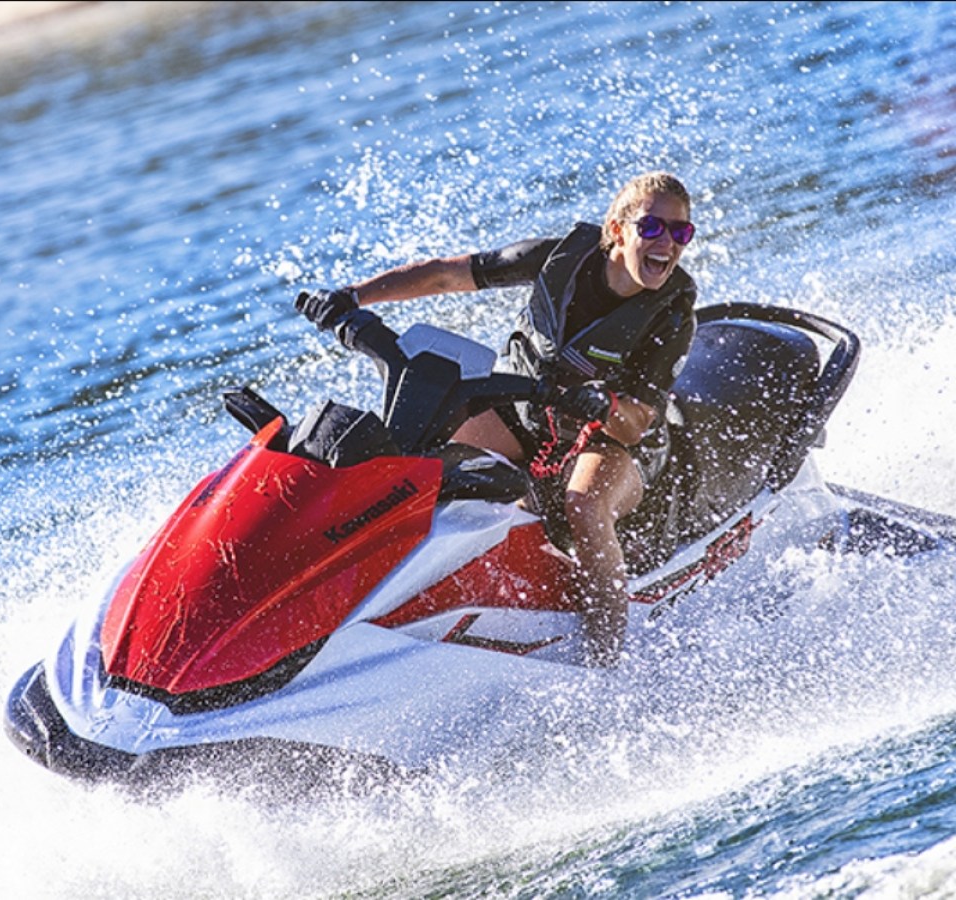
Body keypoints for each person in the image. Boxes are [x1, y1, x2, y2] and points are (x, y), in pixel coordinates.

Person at [295, 171, 698, 666]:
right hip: (531, 415)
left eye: (681, 233)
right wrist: (353, 298)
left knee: (584, 505)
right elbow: (447, 275)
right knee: (422, 453)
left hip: (614, 441)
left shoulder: (673, 314)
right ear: (617, 230)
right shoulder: (557, 259)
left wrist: (604, 404)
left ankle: (607, 657)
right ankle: (366, 598)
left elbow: (636, 423)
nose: (668, 244)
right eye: (654, 228)